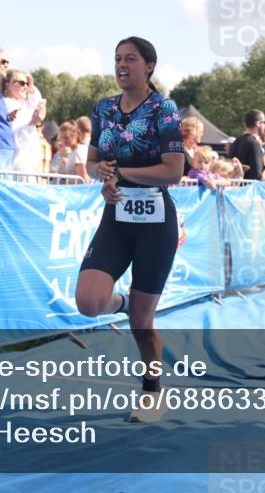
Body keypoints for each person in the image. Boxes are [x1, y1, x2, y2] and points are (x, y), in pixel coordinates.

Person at [76, 36, 185, 424]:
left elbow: (174, 171)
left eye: (131, 59)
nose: (122, 65)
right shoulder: (104, 108)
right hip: (117, 217)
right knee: (88, 303)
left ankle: (153, 392)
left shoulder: (163, 108)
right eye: (118, 59)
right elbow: (91, 162)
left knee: (143, 322)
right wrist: (102, 173)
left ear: (149, 66)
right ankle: (119, 302)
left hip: (156, 224)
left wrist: (121, 172)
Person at [3, 69, 46, 174]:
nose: (25, 86)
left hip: (29, 162)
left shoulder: (23, 103)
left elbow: (35, 100)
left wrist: (31, 85)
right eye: (21, 83)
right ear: (8, 85)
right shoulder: (5, 104)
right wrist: (32, 123)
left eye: (26, 83)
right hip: (17, 161)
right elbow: (16, 138)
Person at [229, 109, 265, 180]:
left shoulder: (237, 141)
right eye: (264, 122)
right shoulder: (254, 143)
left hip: (236, 186)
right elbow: (257, 173)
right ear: (258, 123)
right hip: (250, 187)